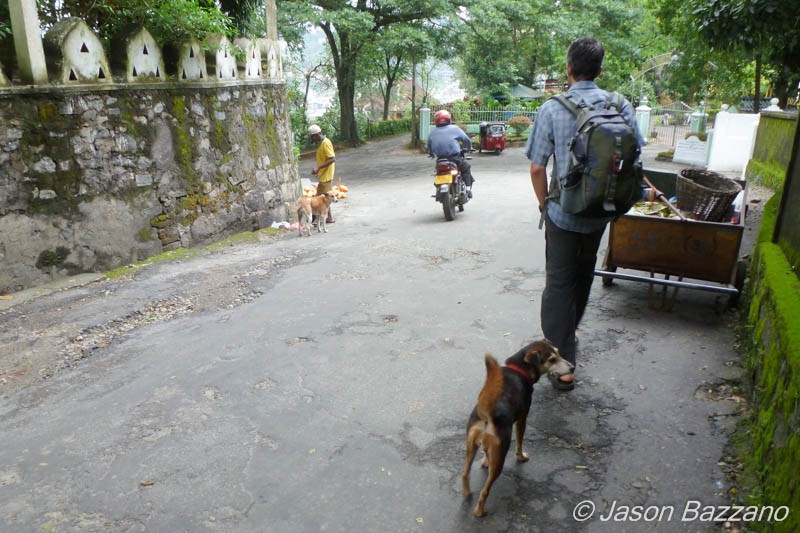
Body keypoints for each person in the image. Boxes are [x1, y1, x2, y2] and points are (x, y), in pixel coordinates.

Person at [525, 36, 646, 391]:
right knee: (584, 272)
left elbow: (536, 168)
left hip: (563, 213)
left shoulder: (552, 108)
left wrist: (544, 204)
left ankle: (564, 366)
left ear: (568, 68)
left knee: (559, 282)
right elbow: (635, 154)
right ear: (600, 70)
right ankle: (571, 330)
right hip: (602, 211)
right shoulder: (620, 105)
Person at [427, 110, 475, 197]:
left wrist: (431, 153)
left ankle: (439, 190)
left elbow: (429, 147)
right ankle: (468, 190)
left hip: (440, 160)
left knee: (438, 172)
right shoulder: (455, 128)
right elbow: (466, 140)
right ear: (448, 119)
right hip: (454, 158)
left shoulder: (432, 132)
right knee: (466, 168)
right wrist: (469, 148)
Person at [308, 124, 335, 224]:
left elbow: (332, 159)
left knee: (320, 198)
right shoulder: (321, 143)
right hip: (323, 175)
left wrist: (319, 168)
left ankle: (316, 219)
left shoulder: (325, 143)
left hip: (326, 176)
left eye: (312, 137)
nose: (312, 139)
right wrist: (318, 170)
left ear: (316, 135)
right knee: (325, 197)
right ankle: (328, 217)